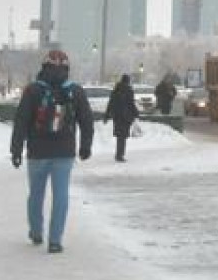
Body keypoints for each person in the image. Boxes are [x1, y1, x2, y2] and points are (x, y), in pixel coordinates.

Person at [10, 49, 94, 253]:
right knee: (61, 196)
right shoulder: (75, 91)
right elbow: (87, 121)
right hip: (64, 153)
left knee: (36, 195)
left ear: (44, 67)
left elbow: (21, 121)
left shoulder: (32, 90)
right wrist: (85, 146)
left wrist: (16, 149)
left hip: (37, 152)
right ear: (67, 68)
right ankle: (55, 240)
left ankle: (36, 232)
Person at [107, 73, 139, 162]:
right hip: (126, 116)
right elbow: (131, 103)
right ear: (128, 81)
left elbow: (111, 102)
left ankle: (119, 154)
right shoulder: (129, 90)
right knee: (123, 136)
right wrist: (136, 113)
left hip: (117, 116)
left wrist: (107, 114)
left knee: (119, 136)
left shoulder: (116, 90)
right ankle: (120, 155)